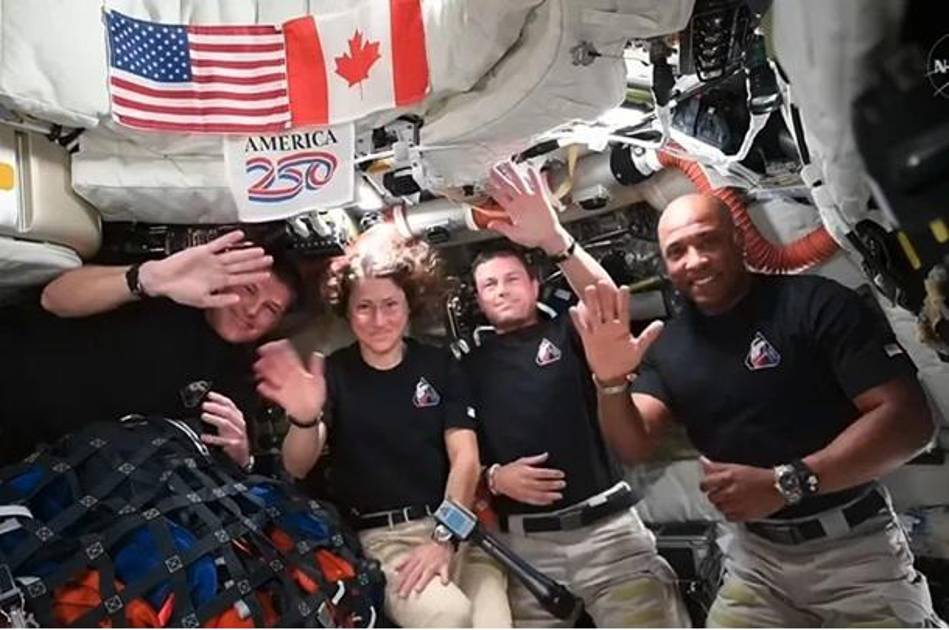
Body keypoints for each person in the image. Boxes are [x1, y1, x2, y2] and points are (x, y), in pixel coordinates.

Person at [572, 192, 945, 627]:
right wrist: (610, 381)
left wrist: (787, 483)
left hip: (857, 556)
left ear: (738, 239)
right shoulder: (667, 346)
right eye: (677, 251)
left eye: (707, 241)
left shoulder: (815, 303)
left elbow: (910, 421)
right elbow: (634, 444)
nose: (694, 261)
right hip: (757, 563)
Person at [462, 161, 689, 627]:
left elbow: (606, 299)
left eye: (511, 279)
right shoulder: (464, 365)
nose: (501, 291)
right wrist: (493, 477)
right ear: (479, 299)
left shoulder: (572, 332)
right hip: (527, 549)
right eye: (489, 285)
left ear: (533, 285)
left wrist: (554, 240)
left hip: (608, 536)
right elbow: (452, 453)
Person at [253, 228, 511, 628]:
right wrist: (304, 417)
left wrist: (445, 537)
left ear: (409, 305)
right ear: (347, 311)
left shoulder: (440, 366)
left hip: (455, 529)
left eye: (390, 305)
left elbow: (466, 459)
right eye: (364, 307)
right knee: (447, 615)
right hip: (386, 541)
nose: (378, 320)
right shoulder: (334, 374)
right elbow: (297, 464)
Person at [0, 229, 297, 469]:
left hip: (39, 463)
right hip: (14, 367)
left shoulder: (239, 378)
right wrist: (147, 279)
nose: (253, 310)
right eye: (249, 290)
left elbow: (223, 459)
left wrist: (241, 459)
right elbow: (54, 298)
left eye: (270, 309)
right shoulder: (170, 283)